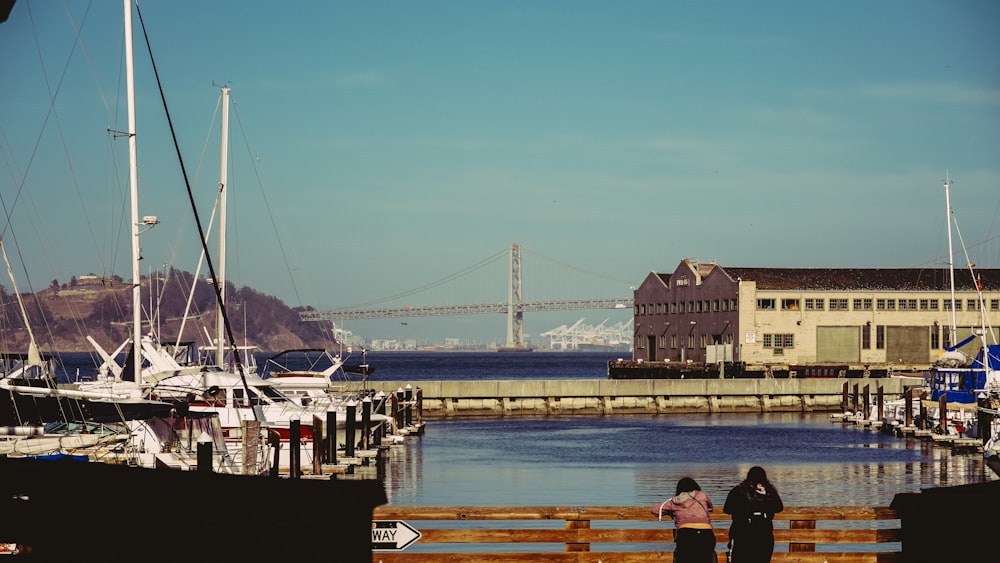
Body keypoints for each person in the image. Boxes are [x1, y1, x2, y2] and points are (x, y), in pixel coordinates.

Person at [723, 466, 784, 563]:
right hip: (764, 534)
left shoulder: (738, 491)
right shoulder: (769, 491)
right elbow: (779, 507)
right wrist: (766, 496)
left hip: (741, 533)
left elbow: (727, 509)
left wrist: (741, 511)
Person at [650, 476, 716, 563]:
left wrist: (672, 510)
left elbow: (655, 510)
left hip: (686, 534)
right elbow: (710, 508)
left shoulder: (674, 501)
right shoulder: (701, 495)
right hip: (706, 533)